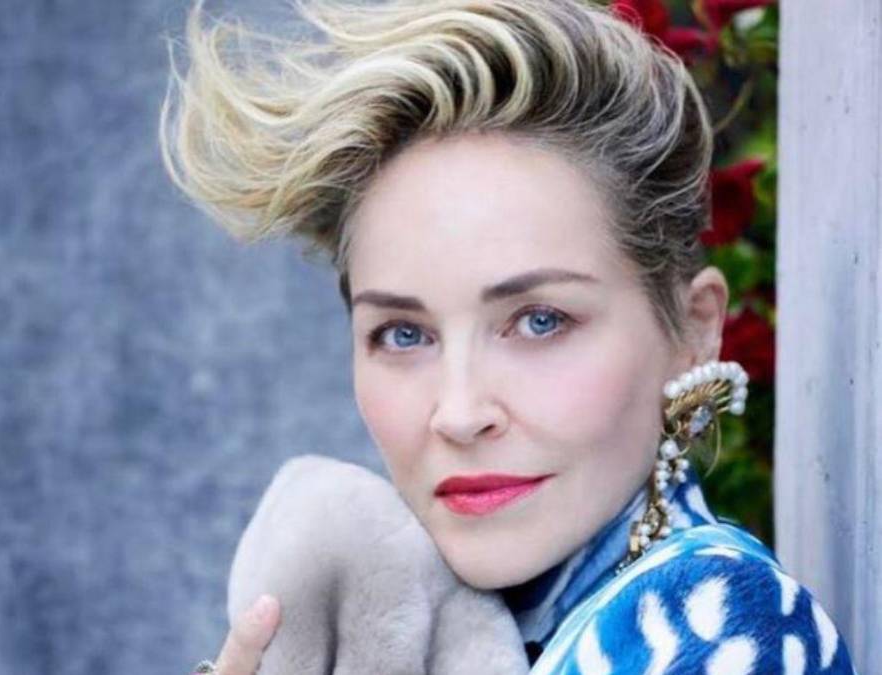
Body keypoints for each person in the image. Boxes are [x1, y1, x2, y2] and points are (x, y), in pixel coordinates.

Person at [160, 0, 858, 672]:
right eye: (403, 334)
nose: (460, 413)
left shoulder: (722, 622)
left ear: (695, 330)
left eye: (539, 321)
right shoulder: (432, 628)